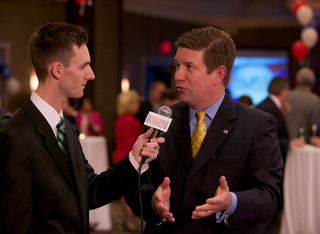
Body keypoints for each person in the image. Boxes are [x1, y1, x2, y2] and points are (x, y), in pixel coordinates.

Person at [0, 22, 164, 233]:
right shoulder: (15, 137)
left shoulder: (64, 127)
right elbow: (14, 225)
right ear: (57, 70)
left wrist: (134, 158)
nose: (91, 74)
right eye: (83, 66)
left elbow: (90, 191)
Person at [126, 26, 283, 233]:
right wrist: (152, 202)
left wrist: (232, 202)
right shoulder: (160, 119)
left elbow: (269, 197)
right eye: (177, 65)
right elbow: (135, 185)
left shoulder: (257, 124)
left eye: (189, 67)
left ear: (218, 74)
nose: (178, 76)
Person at [112, 90, 143, 232]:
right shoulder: (129, 120)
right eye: (135, 102)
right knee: (129, 192)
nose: (138, 105)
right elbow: (132, 144)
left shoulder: (121, 119)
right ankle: (129, 221)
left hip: (120, 156)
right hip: (128, 158)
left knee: (126, 192)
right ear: (129, 104)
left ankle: (128, 220)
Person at [256, 77, 305, 164]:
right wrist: (288, 143)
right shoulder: (271, 108)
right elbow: (267, 135)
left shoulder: (266, 104)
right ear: (284, 91)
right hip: (269, 159)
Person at [285, 67, 320, 143]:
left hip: (284, 144)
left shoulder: (286, 96)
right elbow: (314, 126)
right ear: (313, 83)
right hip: (305, 145)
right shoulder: (315, 100)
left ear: (296, 80)